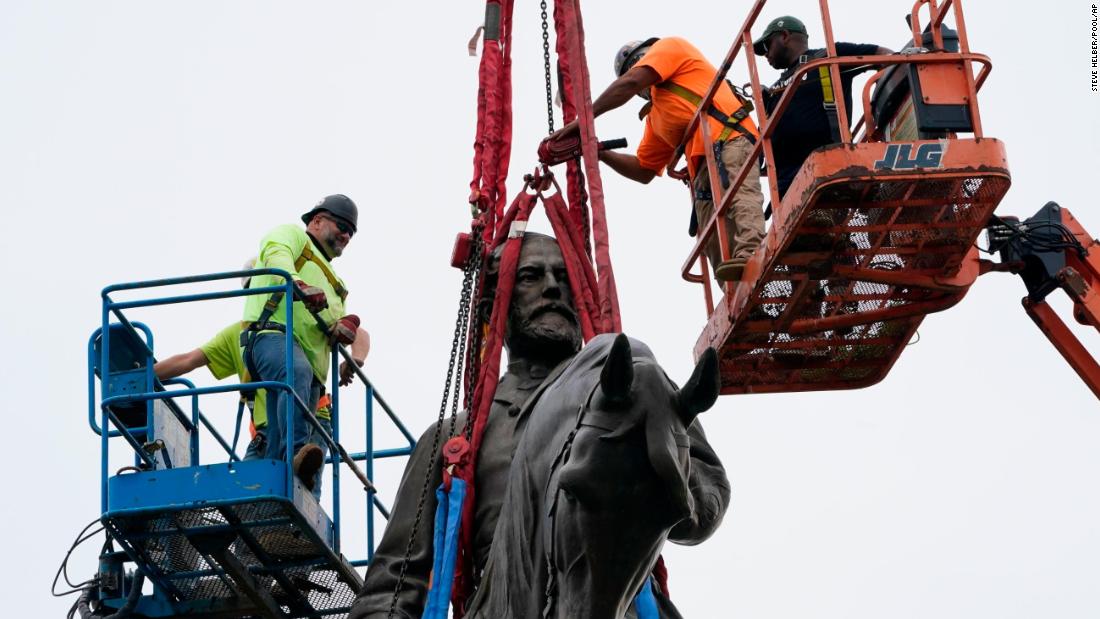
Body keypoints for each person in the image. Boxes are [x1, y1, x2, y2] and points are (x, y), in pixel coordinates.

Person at [348, 232, 730, 619]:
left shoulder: (632, 390)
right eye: (531, 275)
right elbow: (393, 587)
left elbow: (702, 513)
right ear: (489, 307)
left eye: (565, 278)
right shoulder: (450, 440)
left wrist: (660, 460)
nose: (552, 288)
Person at [548, 36, 765, 282]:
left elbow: (630, 83)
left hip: (730, 139)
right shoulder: (657, 116)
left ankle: (753, 253)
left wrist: (584, 119)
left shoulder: (670, 47)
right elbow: (644, 170)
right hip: (703, 168)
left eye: (638, 63)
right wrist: (599, 151)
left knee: (740, 197)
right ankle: (734, 292)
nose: (639, 72)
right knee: (711, 231)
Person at [242, 194, 362, 494]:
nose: (346, 235)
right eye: (342, 225)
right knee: (295, 375)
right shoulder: (294, 237)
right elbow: (276, 255)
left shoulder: (336, 284)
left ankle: (273, 512)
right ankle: (297, 456)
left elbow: (347, 326)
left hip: (311, 376)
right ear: (317, 221)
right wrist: (297, 283)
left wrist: (350, 337)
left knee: (281, 451)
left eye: (352, 231)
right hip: (272, 337)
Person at [153, 320, 370, 461]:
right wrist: (142, 375)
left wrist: (355, 359)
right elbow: (188, 360)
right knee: (253, 503)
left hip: (308, 422)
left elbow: (358, 331)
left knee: (299, 489)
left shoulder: (297, 317)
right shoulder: (237, 333)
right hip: (265, 433)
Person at [754, 16, 893, 198]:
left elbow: (886, 55)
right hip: (786, 183)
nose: (765, 54)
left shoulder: (826, 57)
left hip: (829, 164)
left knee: (826, 216)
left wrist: (886, 88)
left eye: (766, 46)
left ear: (785, 36)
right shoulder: (774, 90)